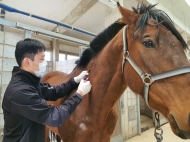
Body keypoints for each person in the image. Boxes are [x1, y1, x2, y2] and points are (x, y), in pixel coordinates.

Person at [2, 38, 92, 142]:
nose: (44, 63)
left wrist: (75, 80)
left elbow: (53, 92)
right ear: (27, 62)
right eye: (41, 59)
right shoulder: (21, 92)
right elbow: (55, 117)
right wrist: (79, 93)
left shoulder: (30, 83)